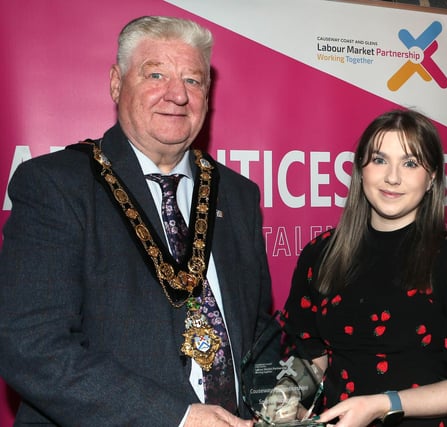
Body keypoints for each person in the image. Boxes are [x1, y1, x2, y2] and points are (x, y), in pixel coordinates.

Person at [0, 16, 273, 427]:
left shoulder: (237, 195)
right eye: (156, 74)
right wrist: (177, 418)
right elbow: (30, 346)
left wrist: (277, 400)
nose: (177, 95)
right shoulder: (56, 185)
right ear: (116, 82)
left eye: (193, 81)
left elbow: (258, 330)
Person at [280, 109, 447, 427]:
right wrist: (283, 401)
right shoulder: (320, 254)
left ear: (431, 178)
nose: (392, 177)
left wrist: (380, 405)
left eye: (410, 163)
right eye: (379, 160)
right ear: (360, 170)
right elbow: (311, 359)